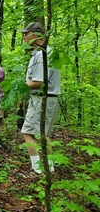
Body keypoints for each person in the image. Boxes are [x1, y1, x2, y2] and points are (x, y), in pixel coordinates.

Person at [19, 22, 60, 174]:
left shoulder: (41, 55)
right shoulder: (49, 52)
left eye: (26, 34)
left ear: (35, 35)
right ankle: (49, 168)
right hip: (50, 98)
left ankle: (37, 170)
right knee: (45, 135)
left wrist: (19, 86)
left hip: (41, 99)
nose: (24, 37)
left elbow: (37, 82)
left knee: (27, 132)